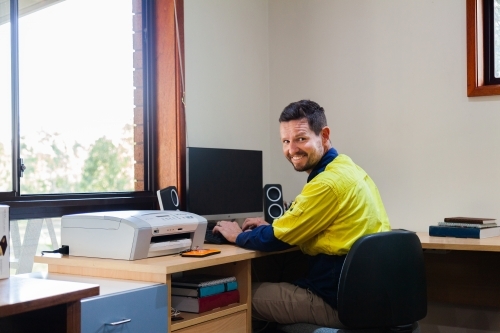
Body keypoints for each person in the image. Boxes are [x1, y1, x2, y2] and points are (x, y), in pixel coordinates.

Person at [213, 99, 391, 328]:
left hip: (337, 304)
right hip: (367, 299)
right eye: (286, 141)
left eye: (301, 139)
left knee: (243, 295)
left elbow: (277, 238)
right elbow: (301, 225)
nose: (291, 149)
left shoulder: (326, 184)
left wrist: (237, 235)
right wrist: (272, 226)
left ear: (324, 136)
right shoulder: (349, 169)